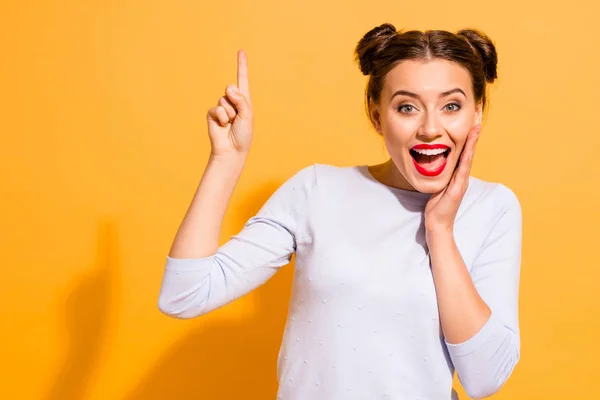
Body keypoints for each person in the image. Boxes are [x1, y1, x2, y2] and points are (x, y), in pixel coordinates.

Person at [158, 23, 522, 400]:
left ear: (476, 113)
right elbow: (184, 294)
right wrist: (226, 158)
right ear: (377, 116)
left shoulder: (492, 207)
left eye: (451, 106)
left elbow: (484, 378)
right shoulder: (317, 190)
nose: (430, 128)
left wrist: (440, 230)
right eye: (407, 107)